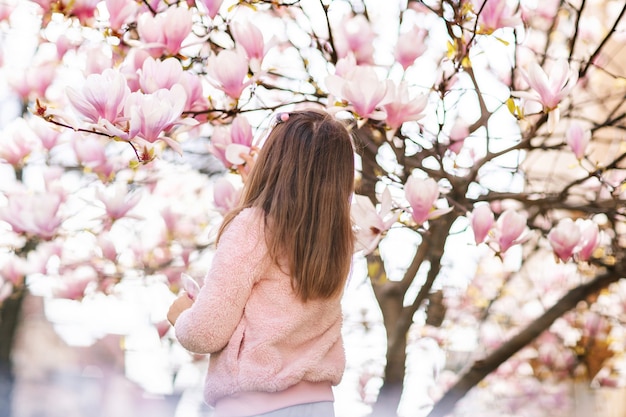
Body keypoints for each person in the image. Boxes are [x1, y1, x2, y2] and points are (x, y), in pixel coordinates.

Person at [167, 109, 356, 417]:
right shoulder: (340, 242)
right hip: (320, 406)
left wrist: (182, 316)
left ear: (273, 161)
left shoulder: (254, 227)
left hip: (254, 406)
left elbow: (206, 332)